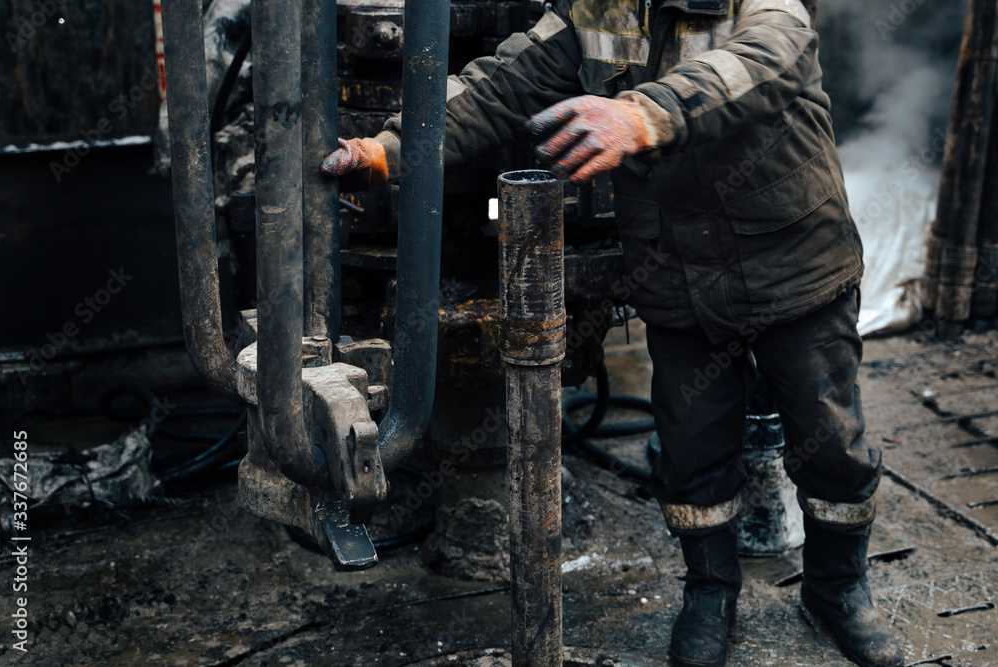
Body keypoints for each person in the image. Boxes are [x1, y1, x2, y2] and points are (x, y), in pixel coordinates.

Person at [321, 1, 904, 665]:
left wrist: (640, 114)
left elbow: (764, 60)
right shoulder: (598, 9)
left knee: (831, 446)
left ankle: (837, 589)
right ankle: (710, 593)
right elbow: (502, 83)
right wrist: (389, 148)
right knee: (693, 453)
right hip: (677, 275)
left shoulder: (763, 6)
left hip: (791, 261)